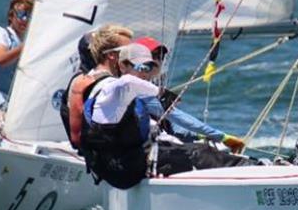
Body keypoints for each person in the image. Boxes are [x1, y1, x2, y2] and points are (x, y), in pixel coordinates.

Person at [79, 43, 248, 189]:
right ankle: (251, 168)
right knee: (201, 152)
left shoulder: (112, 89)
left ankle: (246, 166)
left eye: (149, 67)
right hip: (123, 169)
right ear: (123, 65)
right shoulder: (117, 89)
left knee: (198, 150)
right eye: (142, 68)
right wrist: (159, 92)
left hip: (113, 168)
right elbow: (129, 83)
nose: (146, 73)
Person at [60, 24, 134, 149]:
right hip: (111, 160)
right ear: (111, 54)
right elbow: (78, 137)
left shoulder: (89, 80)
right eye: (128, 51)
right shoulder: (87, 83)